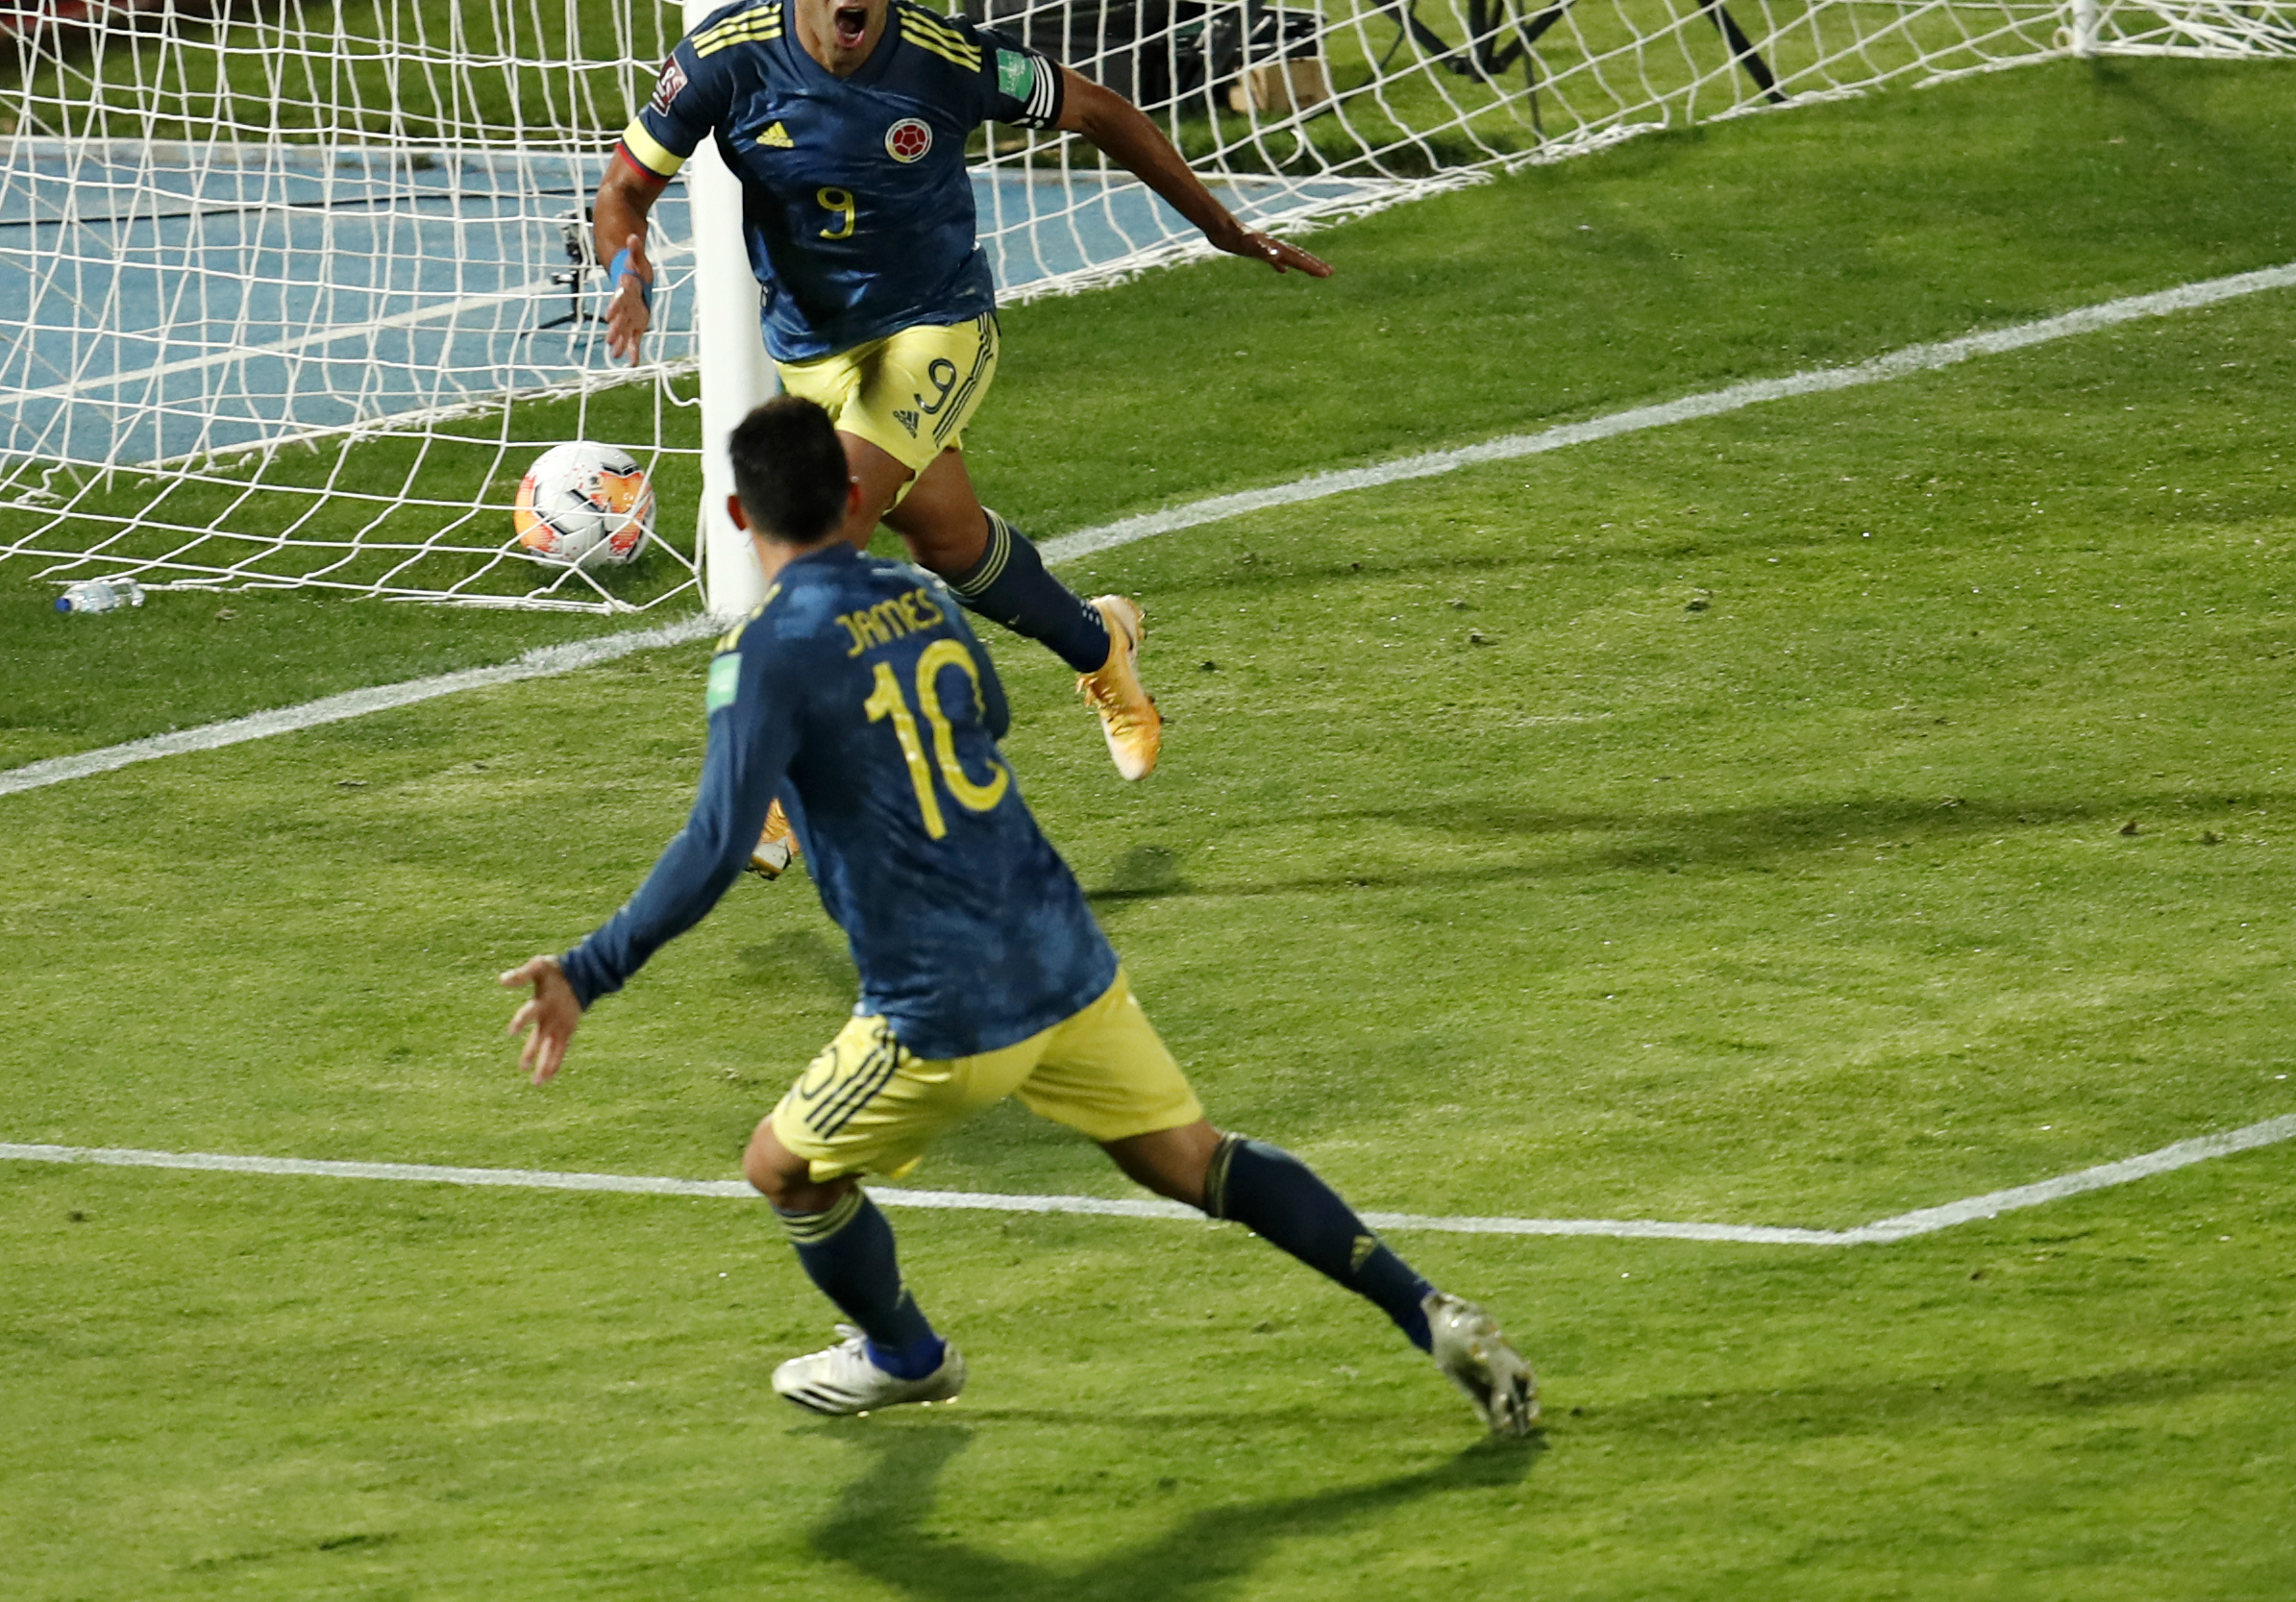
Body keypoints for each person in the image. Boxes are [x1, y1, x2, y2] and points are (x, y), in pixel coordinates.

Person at [499, 394, 1537, 1432]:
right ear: (857, 494)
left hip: (940, 1002)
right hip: (1062, 951)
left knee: (783, 1168)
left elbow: (718, 844)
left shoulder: (762, 652)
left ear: (734, 516)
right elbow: (984, 719)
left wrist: (586, 972)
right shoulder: (919, 595)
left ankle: (905, 1356)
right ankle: (1428, 1311)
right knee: (1192, 1160)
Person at [595, 0, 1333, 874]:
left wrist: (1219, 228)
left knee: (828, 530)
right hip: (810, 349)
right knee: (946, 543)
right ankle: (1101, 647)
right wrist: (623, 263)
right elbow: (624, 186)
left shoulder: (945, 59)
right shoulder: (726, 58)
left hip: (936, 323)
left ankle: (776, 787)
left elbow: (1102, 111)